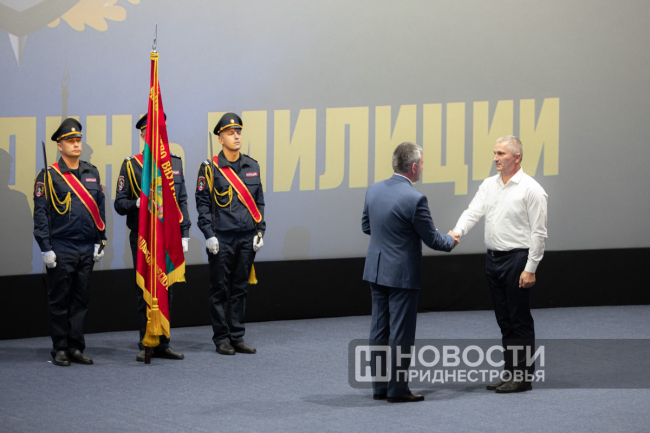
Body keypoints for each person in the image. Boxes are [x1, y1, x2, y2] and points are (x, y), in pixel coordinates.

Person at [362, 142, 457, 403]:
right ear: (413, 167)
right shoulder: (415, 199)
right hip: (402, 274)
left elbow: (366, 226)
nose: (423, 168)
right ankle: (397, 390)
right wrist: (451, 239)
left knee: (379, 330)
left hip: (376, 269)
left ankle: (380, 388)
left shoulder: (373, 189)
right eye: (422, 164)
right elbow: (434, 240)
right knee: (401, 333)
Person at [451, 135, 547, 393]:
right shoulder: (489, 185)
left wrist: (530, 268)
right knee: (504, 320)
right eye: (495, 153)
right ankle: (510, 372)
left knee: (519, 320)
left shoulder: (532, 189)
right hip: (493, 259)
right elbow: (473, 212)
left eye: (501, 154)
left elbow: (539, 233)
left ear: (517, 157)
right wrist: (456, 232)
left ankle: (523, 377)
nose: (495, 158)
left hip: (517, 260)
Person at [114, 113, 190, 362]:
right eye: (150, 131)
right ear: (143, 135)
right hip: (143, 236)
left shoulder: (174, 164)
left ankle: (164, 342)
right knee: (145, 288)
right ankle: (145, 342)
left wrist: (185, 233)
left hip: (168, 235)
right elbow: (119, 204)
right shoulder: (132, 165)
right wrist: (136, 203)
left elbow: (181, 200)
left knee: (167, 288)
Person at [33, 118, 107, 367]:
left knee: (80, 300)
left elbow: (99, 209)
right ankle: (60, 348)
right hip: (62, 246)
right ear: (59, 145)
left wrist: (101, 240)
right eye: (70, 141)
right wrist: (45, 247)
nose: (76, 144)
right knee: (60, 300)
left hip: (86, 246)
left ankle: (76, 346)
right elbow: (40, 214)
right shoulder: (48, 175)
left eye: (78, 140)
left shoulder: (92, 172)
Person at [196, 112, 265, 355]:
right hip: (221, 238)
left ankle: (237, 336)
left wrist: (260, 230)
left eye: (238, 132)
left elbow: (259, 202)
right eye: (230, 133)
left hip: (246, 238)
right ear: (220, 139)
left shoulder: (252, 165)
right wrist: (208, 234)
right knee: (219, 289)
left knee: (240, 288)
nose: (236, 136)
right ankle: (221, 338)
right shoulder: (209, 168)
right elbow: (202, 203)